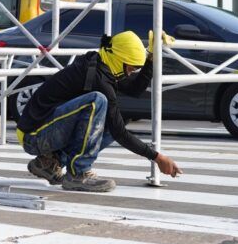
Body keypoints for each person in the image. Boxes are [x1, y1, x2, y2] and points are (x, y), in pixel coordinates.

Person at [17, 30, 182, 192]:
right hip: (33, 136)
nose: (130, 73)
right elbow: (120, 134)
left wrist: (151, 57)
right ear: (120, 60)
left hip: (42, 131)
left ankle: (50, 163)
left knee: (113, 121)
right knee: (98, 101)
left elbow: (135, 89)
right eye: (131, 69)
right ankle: (78, 174)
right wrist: (157, 157)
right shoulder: (98, 79)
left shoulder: (102, 64)